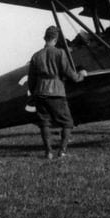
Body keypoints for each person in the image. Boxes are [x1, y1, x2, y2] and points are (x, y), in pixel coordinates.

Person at [28, 26, 87, 159]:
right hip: (56, 92)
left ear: (45, 38)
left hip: (40, 92)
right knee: (68, 122)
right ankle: (62, 151)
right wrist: (80, 75)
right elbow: (68, 73)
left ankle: (48, 152)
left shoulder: (36, 56)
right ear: (55, 39)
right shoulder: (60, 53)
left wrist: (34, 93)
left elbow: (31, 80)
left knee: (44, 123)